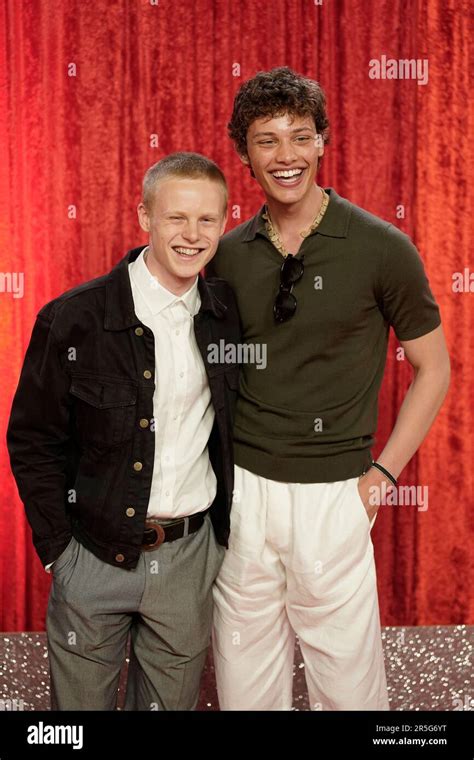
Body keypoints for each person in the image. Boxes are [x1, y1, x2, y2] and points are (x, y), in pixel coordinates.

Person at [206, 67, 450, 711]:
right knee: (242, 686)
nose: (285, 155)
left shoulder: (381, 247)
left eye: (299, 136)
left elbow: (435, 368)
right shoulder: (226, 254)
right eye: (267, 140)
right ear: (244, 153)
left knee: (350, 691)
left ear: (323, 143)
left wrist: (385, 473)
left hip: (336, 493)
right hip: (244, 493)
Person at [7, 152, 241, 711]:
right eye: (175, 218)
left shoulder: (226, 314)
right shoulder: (73, 318)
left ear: (225, 222)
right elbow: (33, 440)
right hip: (90, 555)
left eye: (207, 219)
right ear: (144, 217)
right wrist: (58, 552)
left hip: (188, 560)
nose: (192, 234)